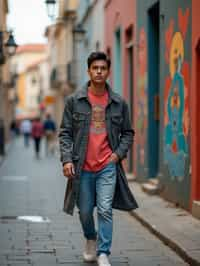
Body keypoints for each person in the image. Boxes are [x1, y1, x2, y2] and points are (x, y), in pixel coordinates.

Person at [59, 52, 138, 266]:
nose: (99, 71)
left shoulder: (119, 102)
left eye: (103, 68)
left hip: (107, 166)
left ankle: (103, 252)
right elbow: (65, 132)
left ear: (108, 72)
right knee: (84, 211)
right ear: (89, 71)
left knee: (104, 209)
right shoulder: (74, 101)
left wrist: (117, 155)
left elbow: (128, 133)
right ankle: (90, 239)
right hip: (82, 166)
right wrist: (67, 160)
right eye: (95, 68)